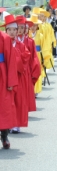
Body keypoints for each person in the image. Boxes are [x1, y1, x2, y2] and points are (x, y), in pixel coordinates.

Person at [3, 15, 31, 134]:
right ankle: (7, 124)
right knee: (7, 101)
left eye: (15, 30)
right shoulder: (3, 43)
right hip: (5, 76)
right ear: (6, 31)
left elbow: (25, 58)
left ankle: (16, 124)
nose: (13, 32)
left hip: (18, 76)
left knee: (18, 100)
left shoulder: (21, 45)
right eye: (10, 30)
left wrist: (14, 57)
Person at [0, 18, 18, 149]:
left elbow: (11, 61)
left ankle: (4, 135)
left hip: (2, 76)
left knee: (4, 107)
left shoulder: (5, 38)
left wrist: (10, 81)